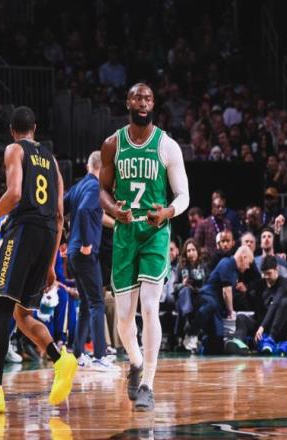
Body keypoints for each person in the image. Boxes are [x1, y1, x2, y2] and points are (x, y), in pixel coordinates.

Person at [0, 106, 76, 414]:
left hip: (23, 231)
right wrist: (50, 263)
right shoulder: (53, 161)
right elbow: (59, 216)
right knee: (22, 315)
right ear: (35, 128)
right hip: (47, 235)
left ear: (12, 131)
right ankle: (61, 360)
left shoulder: (14, 150)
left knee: (3, 309)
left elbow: (15, 194)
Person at [100, 83, 190, 411]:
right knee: (124, 319)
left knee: (150, 307)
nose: (143, 102)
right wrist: (114, 210)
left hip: (155, 231)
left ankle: (148, 384)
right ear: (128, 102)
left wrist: (167, 213)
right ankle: (136, 363)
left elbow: (184, 195)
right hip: (125, 232)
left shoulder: (167, 145)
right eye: (137, 97)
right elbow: (102, 191)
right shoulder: (113, 144)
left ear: (154, 104)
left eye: (148, 98)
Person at [64, 150, 117, 371]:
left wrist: (117, 223)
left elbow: (64, 208)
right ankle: (99, 356)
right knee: (97, 302)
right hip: (85, 253)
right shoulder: (95, 187)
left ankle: (77, 353)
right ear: (101, 168)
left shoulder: (79, 186)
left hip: (73, 253)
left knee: (86, 303)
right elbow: (85, 210)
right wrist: (86, 242)